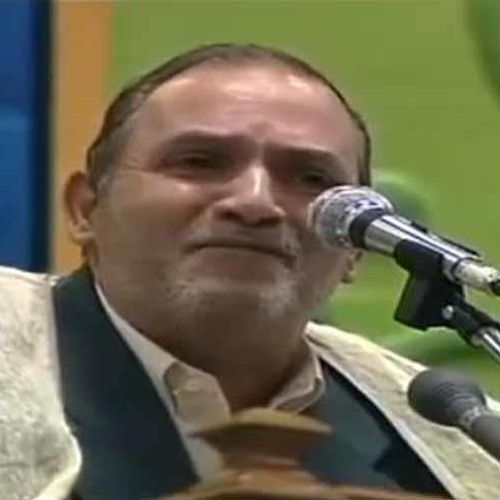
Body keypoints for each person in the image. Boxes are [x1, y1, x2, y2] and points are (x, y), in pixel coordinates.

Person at [2, 43, 499, 500]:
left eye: (312, 178)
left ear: (354, 251)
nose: (255, 203)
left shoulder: (452, 431)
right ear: (85, 210)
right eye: (200, 162)